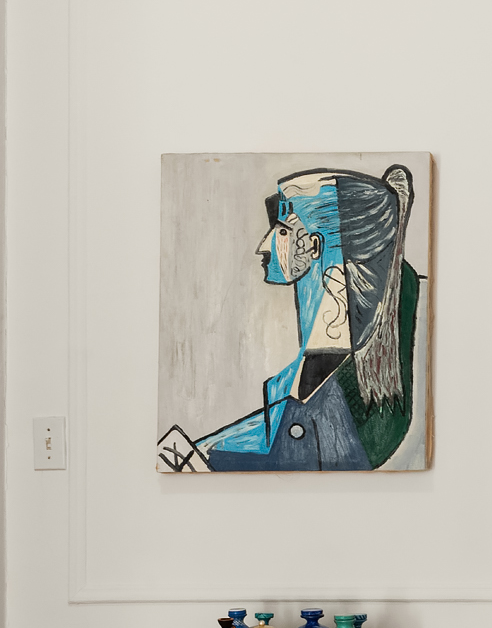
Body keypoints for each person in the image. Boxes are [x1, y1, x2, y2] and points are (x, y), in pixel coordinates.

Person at [158, 163, 418, 472]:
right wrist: (200, 452)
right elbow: (269, 432)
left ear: (315, 246)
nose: (263, 247)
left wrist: (200, 463)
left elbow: (294, 446)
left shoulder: (332, 416)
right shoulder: (306, 382)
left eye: (282, 230)